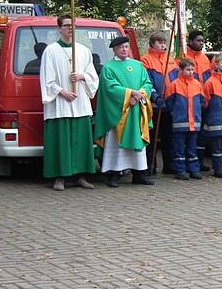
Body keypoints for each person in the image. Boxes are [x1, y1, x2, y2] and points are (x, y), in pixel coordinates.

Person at [40, 16, 99, 191]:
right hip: (60, 103)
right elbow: (46, 79)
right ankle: (60, 176)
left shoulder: (83, 50)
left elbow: (93, 76)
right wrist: (62, 91)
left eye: (73, 26)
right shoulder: (51, 51)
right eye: (66, 26)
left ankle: (81, 175)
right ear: (59, 29)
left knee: (81, 141)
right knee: (61, 141)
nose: (70, 29)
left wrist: (82, 76)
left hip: (80, 102)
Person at [94, 36, 153, 187]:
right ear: (114, 49)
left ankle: (139, 173)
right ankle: (114, 174)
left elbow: (147, 83)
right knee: (115, 142)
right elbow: (110, 89)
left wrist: (140, 94)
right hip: (119, 113)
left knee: (137, 142)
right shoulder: (109, 67)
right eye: (121, 47)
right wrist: (129, 95)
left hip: (136, 110)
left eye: (126, 47)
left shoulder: (138, 65)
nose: (124, 49)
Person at [141, 31, 179, 175]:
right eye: (159, 42)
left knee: (169, 136)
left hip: (169, 104)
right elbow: (146, 82)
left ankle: (169, 164)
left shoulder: (171, 60)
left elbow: (176, 79)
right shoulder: (146, 60)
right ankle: (151, 165)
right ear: (152, 44)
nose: (162, 45)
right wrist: (155, 96)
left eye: (164, 42)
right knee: (152, 137)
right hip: (154, 105)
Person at [164, 58, 204, 180]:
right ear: (181, 70)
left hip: (194, 122)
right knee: (179, 148)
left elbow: (201, 101)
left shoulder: (197, 84)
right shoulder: (174, 85)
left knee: (192, 148)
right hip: (180, 122)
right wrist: (176, 114)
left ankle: (194, 170)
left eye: (192, 70)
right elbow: (169, 103)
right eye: (188, 70)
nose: (191, 72)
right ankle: (180, 170)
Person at [184, 30, 212, 171]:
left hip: (203, 99)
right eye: (198, 40)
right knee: (190, 134)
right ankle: (188, 162)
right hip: (189, 101)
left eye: (202, 40)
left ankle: (199, 161)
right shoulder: (183, 56)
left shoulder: (205, 59)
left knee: (202, 134)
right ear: (190, 42)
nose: (201, 43)